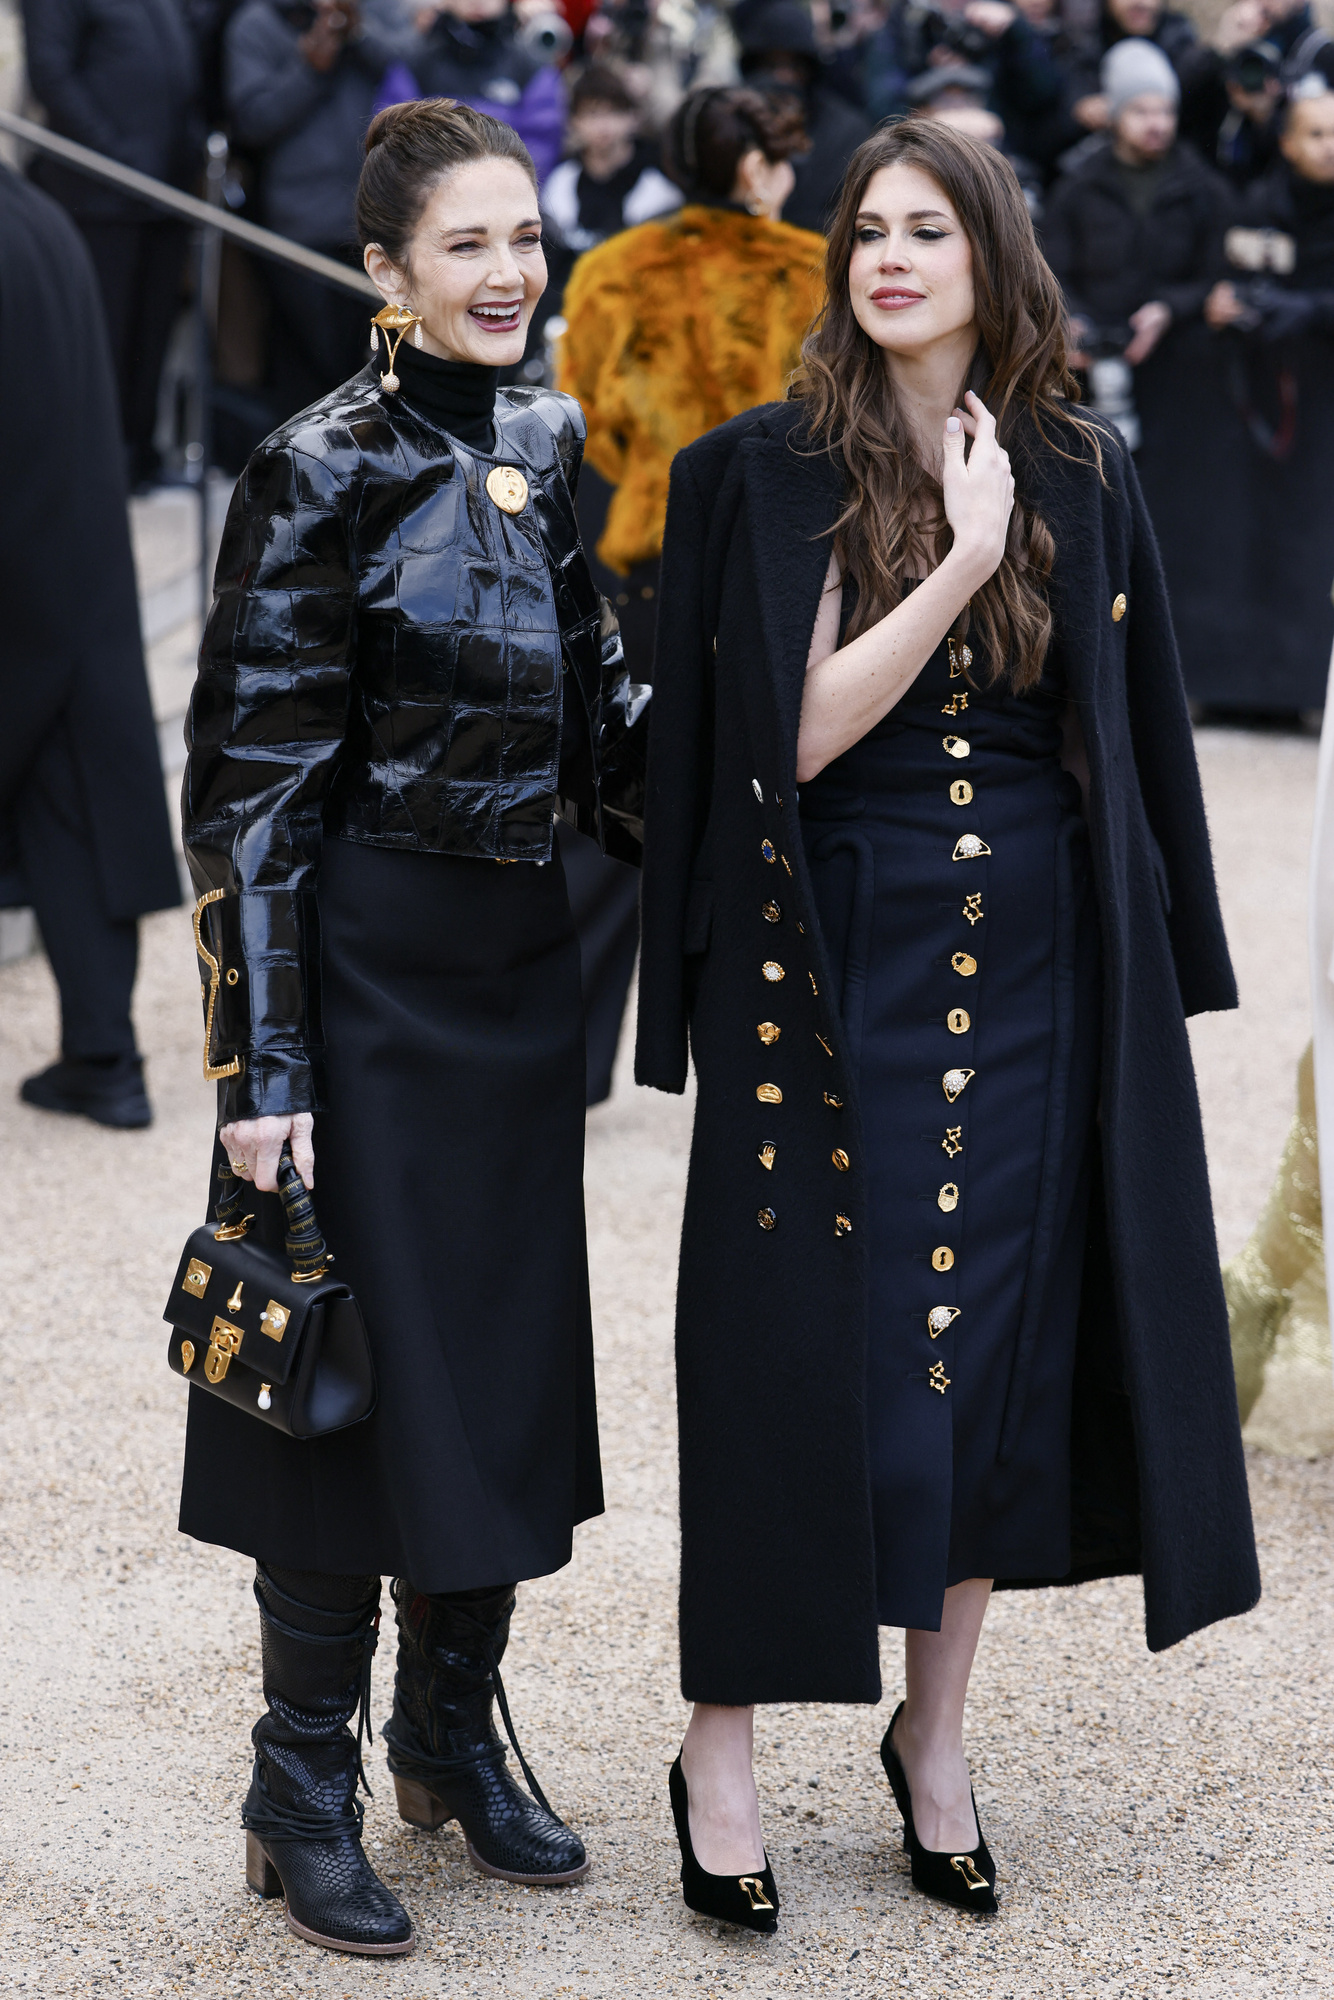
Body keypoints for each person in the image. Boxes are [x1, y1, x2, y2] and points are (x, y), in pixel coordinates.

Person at [635, 117, 1258, 1932]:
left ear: (991, 256)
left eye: (926, 229)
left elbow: (1131, 734)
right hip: (831, 964)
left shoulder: (1079, 462)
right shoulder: (768, 471)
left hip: (1036, 965)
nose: (888, 258)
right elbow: (792, 738)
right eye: (865, 231)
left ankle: (934, 1738)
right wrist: (962, 559)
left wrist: (1164, 962)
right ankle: (721, 1750)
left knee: (976, 1366)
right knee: (787, 1353)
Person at [180, 96, 647, 1956]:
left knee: (500, 1360)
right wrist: (259, 1072)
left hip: (519, 971)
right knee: (345, 1379)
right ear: (383, 269)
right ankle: (298, 1784)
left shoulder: (544, 434)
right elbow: (250, 790)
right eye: (465, 243)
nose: (507, 271)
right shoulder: (313, 466)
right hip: (363, 981)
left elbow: (606, 720)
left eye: (523, 236)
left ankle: (446, 1737)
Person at [0, 164, 180, 1127]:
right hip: (74, 551)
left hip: (19, 558)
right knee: (79, 816)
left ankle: (104, 1059)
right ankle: (104, 1055)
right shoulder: (43, 216)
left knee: (73, 809)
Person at [558, 85, 824, 686]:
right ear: (755, 168)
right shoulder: (812, 270)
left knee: (661, 733)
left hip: (659, 546)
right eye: (781, 163)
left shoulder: (613, 269)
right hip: (786, 550)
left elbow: (587, 415)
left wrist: (654, 466)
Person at [21, 0, 201, 489]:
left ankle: (139, 456)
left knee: (152, 334)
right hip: (99, 194)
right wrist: (117, 156)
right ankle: (101, 466)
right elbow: (51, 76)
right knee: (106, 337)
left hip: (165, 191)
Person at [1195, 82, 1334, 712]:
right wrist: (1230, 305)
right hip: (1257, 398)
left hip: (1324, 401)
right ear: (1287, 142)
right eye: (1315, 134)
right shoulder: (1254, 205)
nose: (1328, 147)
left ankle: (1304, 689)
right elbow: (1222, 283)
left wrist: (1311, 309)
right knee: (1243, 534)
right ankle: (1238, 688)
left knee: (1313, 540)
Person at [1041, 39, 1232, 458]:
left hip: (1180, 364)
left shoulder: (1204, 188)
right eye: (1141, 111)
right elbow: (1052, 267)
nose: (1157, 123)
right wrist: (1073, 320)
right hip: (1094, 367)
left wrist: (1168, 308)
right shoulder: (1076, 187)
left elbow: (1216, 272)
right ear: (1114, 113)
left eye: (1165, 111)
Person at [224, 0, 412, 418]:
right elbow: (251, 120)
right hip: (300, 223)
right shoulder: (258, 22)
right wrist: (309, 70)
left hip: (376, 219)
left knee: (378, 363)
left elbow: (416, 69)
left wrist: (358, 33)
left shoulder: (374, 10)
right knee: (307, 364)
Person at [736, 1, 872, 234]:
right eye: (771, 65)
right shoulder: (730, 123)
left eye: (794, 66)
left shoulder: (846, 131)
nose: (783, 77)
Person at [399, 0, 566, 185]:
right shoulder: (417, 62)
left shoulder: (529, 66)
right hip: (429, 193)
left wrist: (507, 192)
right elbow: (396, 138)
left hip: (505, 193)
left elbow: (541, 144)